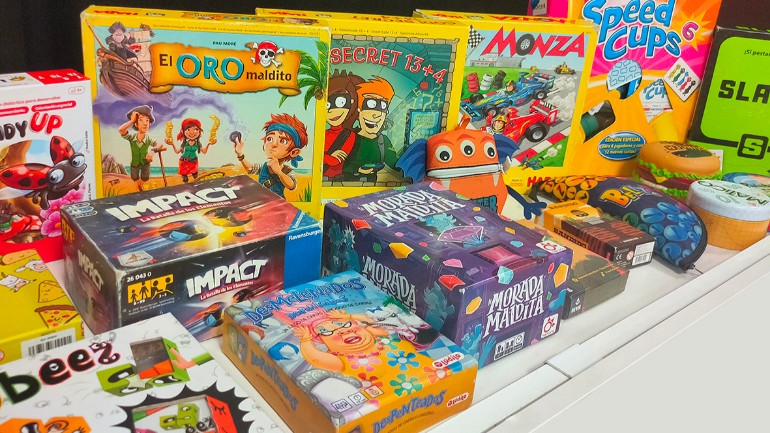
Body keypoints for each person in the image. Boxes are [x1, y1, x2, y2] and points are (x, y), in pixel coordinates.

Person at [232, 113, 308, 198]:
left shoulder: (287, 171)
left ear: (294, 152)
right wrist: (240, 154)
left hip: (278, 203)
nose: (274, 144)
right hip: (262, 201)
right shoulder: (264, 166)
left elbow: (292, 186)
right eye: (270, 139)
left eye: (283, 141)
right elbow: (250, 169)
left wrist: (279, 172)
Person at [343, 76, 399, 182]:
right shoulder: (349, 137)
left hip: (372, 185)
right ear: (359, 109)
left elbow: (395, 164)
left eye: (383, 107)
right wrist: (357, 169)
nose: (377, 114)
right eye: (370, 105)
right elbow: (341, 165)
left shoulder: (383, 141)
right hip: (347, 184)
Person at [323, 70, 363, 180]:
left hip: (338, 179)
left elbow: (335, 161)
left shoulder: (349, 135)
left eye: (341, 102)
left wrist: (321, 156)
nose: (332, 111)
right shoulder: (322, 133)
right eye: (327, 105)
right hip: (318, 178)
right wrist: (325, 156)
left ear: (351, 102)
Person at [118, 105, 161, 191]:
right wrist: (131, 121)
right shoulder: (132, 137)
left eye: (147, 120)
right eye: (141, 120)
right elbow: (121, 130)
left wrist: (152, 151)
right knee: (135, 179)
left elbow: (159, 144)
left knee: (145, 179)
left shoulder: (148, 139)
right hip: (134, 164)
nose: (145, 123)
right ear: (136, 124)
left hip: (145, 164)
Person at [165, 118, 215, 183]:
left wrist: (209, 144)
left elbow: (204, 151)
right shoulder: (184, 143)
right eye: (188, 130)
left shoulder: (198, 143)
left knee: (196, 177)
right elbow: (177, 151)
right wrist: (172, 144)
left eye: (196, 129)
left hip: (193, 162)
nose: (192, 132)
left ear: (199, 131)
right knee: (185, 179)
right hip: (184, 162)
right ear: (183, 131)